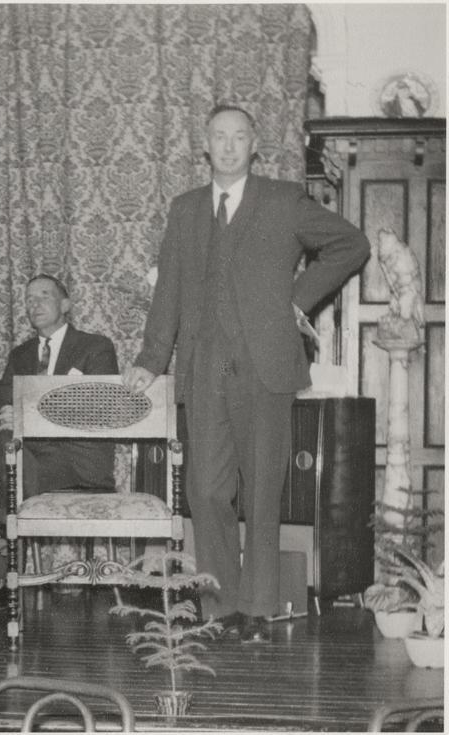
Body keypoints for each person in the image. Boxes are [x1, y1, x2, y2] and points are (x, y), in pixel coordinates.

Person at [123, 104, 370, 643]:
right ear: (205, 146)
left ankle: (258, 611)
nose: (229, 146)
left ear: (254, 145)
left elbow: (352, 245)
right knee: (206, 493)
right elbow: (168, 292)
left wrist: (297, 302)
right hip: (204, 369)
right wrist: (149, 359)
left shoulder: (282, 201)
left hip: (266, 369)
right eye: (219, 136)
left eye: (239, 137)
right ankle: (221, 604)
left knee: (262, 493)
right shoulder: (185, 209)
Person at [0, 274, 119, 609]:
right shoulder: (20, 355)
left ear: (66, 304)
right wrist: (7, 417)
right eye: (29, 298)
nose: (34, 304)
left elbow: (96, 410)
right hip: (30, 460)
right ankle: (6, 531)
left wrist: (29, 416)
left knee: (14, 469)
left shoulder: (96, 346)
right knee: (5, 441)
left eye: (44, 296)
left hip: (79, 461)